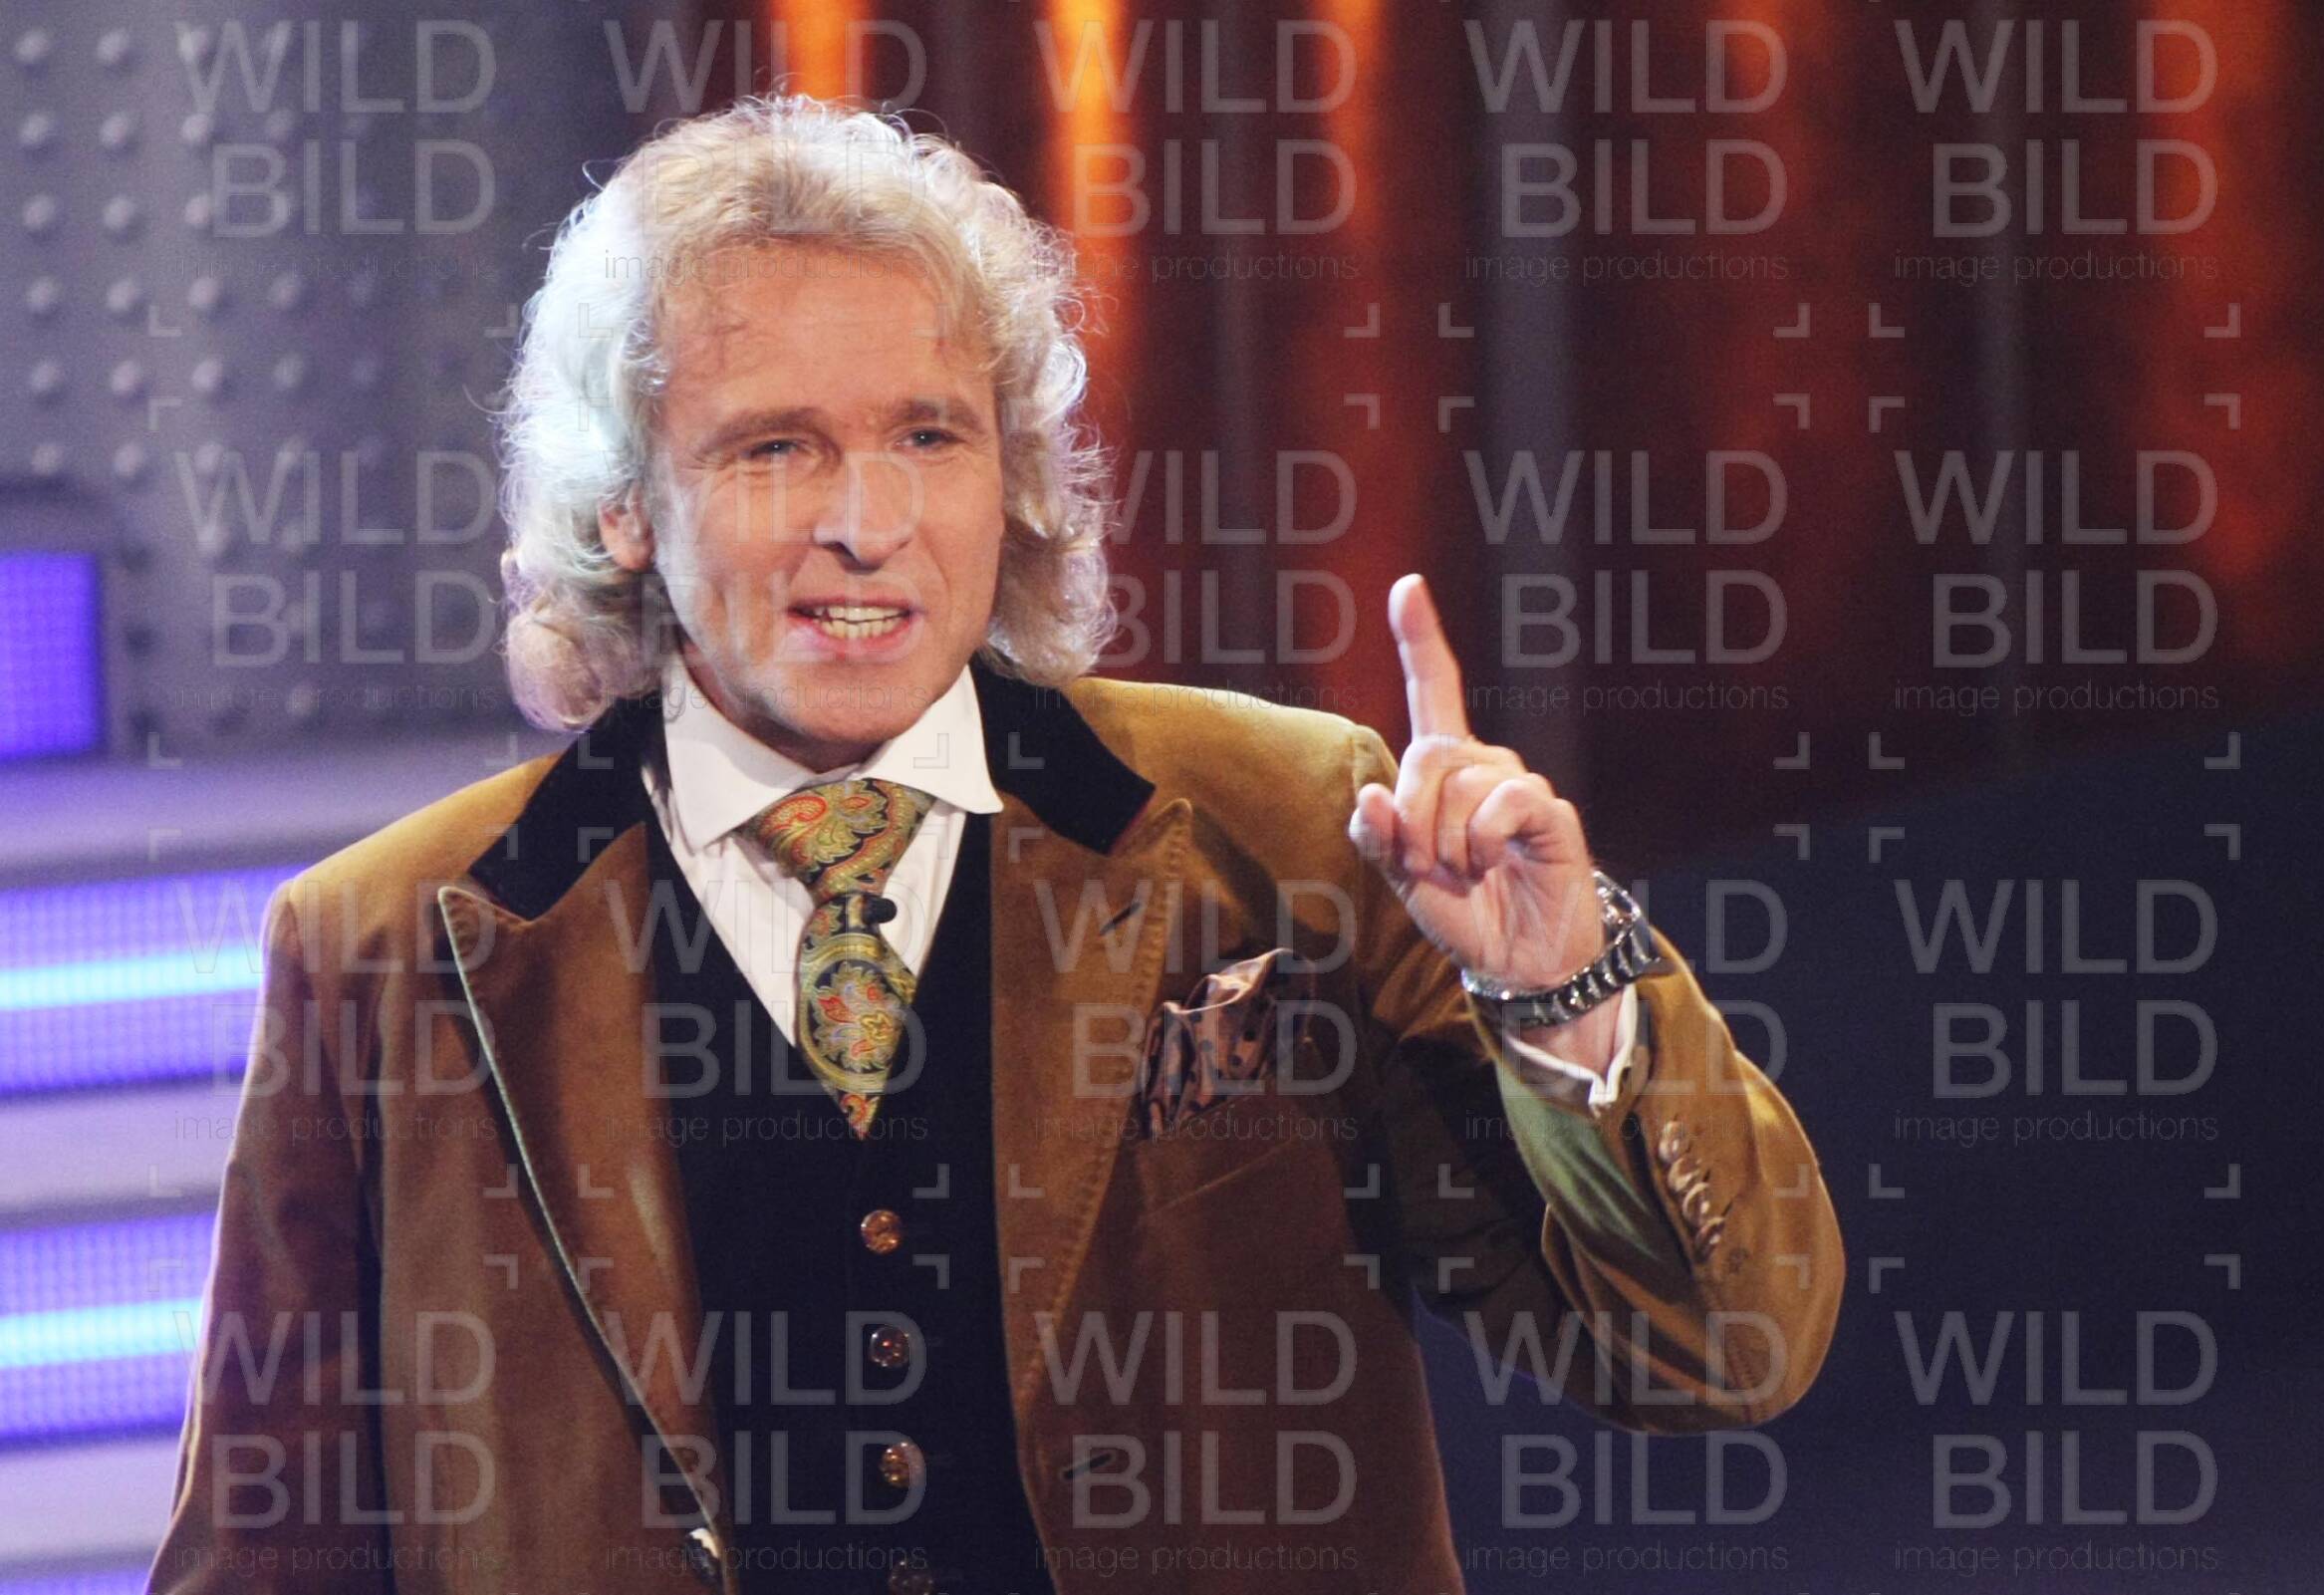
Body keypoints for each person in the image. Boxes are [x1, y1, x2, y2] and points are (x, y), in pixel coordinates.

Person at [150, 95, 1842, 1595]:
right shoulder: (382, 948)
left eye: (928, 435)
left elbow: (1726, 1348)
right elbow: (261, 1559)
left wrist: (1566, 994)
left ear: (1008, 473)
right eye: (775, 446)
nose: (868, 523)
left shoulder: (1293, 832)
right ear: (623, 505)